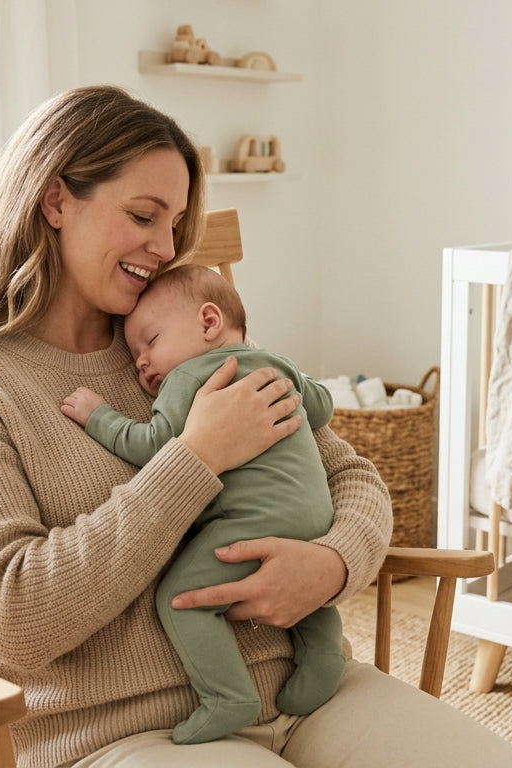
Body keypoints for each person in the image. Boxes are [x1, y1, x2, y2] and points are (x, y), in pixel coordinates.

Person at [0, 84, 512, 768]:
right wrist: (196, 456)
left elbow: (350, 474)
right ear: (55, 201)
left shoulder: (175, 342)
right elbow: (13, 617)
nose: (164, 246)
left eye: (174, 222)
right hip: (124, 733)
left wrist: (331, 564)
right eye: (143, 215)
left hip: (307, 691)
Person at [60, 264, 345, 745]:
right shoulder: (273, 363)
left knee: (182, 600)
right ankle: (323, 657)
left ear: (209, 322)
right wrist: (291, 376)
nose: (141, 362)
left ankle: (226, 696)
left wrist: (99, 416)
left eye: (149, 341)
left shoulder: (188, 379)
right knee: (292, 574)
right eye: (134, 354)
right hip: (317, 516)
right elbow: (320, 409)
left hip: (248, 521)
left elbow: (155, 447)